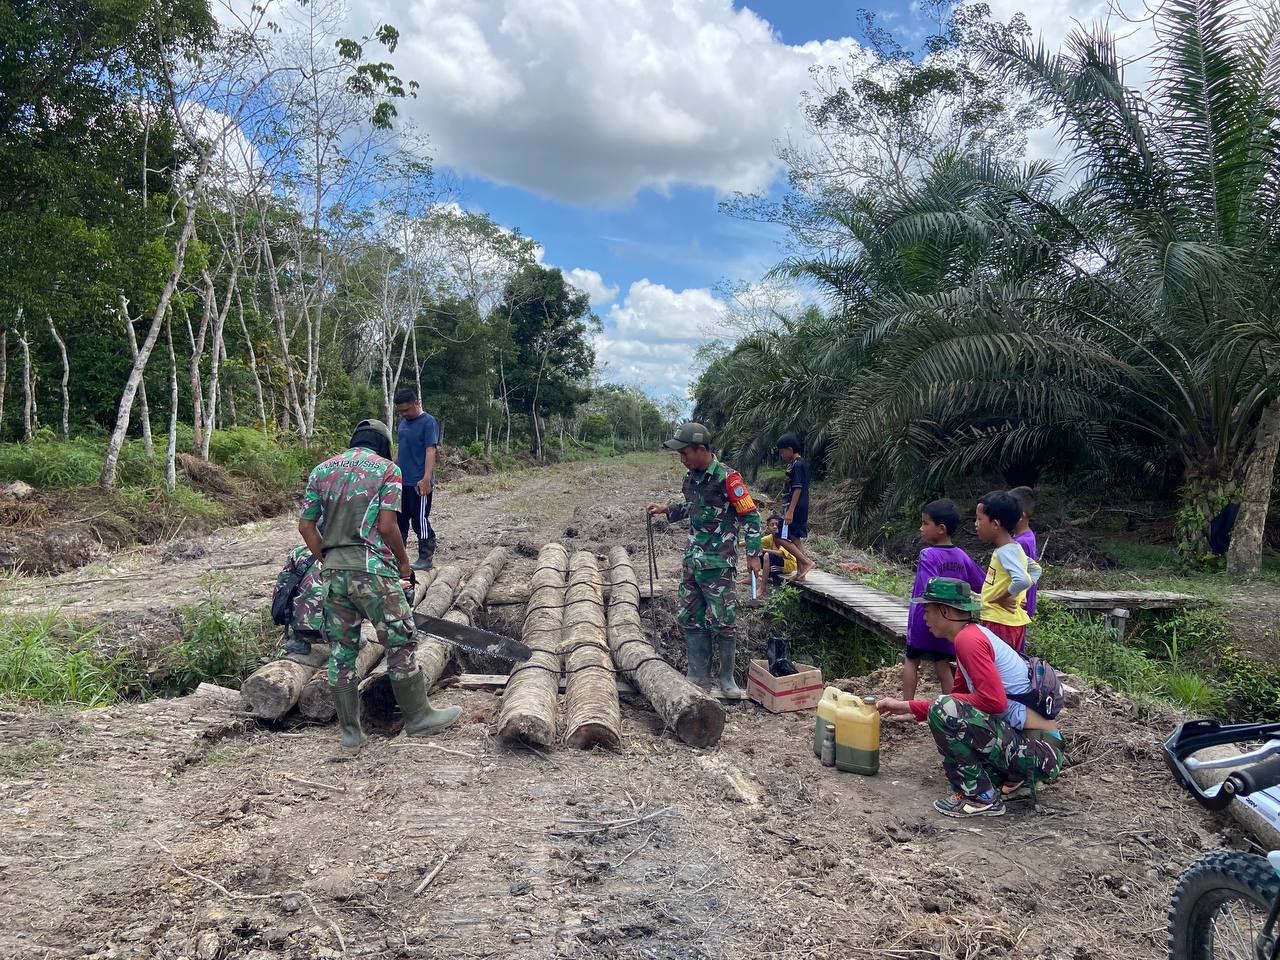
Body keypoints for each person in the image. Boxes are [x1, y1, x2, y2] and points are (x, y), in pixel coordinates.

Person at [299, 418, 460, 754]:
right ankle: (418, 717)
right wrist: (403, 563)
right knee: (400, 639)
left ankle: (350, 734)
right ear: (384, 443)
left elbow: (306, 526)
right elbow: (388, 526)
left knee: (342, 650)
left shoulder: (321, 471)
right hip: (373, 571)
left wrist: (326, 559)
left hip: (334, 574)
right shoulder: (388, 470)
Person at [876, 577, 1066, 818]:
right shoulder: (971, 637)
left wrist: (933, 706)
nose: (924, 617)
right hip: (1037, 750)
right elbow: (958, 700)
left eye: (928, 610)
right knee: (945, 710)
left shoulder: (969, 641)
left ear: (944, 611)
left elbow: (991, 702)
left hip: (1037, 753)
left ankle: (980, 797)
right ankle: (1010, 780)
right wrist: (905, 706)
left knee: (944, 710)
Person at [645, 422, 763, 698]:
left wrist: (753, 555)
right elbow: (693, 506)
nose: (682, 459)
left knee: (724, 620)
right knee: (690, 617)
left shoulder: (728, 479)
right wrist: (668, 509)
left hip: (718, 563)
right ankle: (698, 676)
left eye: (685, 453)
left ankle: (727, 680)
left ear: (701, 449)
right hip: (693, 560)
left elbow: (752, 517)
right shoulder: (691, 479)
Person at [904, 499, 987, 699]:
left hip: (924, 619)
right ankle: (951, 707)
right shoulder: (961, 556)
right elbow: (981, 583)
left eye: (925, 523)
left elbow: (929, 586)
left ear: (941, 528)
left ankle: (906, 706)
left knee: (911, 660)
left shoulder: (928, 555)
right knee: (943, 664)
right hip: (950, 621)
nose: (921, 528)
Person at [975, 490, 1041, 654]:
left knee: (1000, 671)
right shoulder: (1014, 548)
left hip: (1000, 622)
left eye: (979, 519)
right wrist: (1020, 596)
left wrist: (1001, 598)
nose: (975, 524)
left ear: (995, 524)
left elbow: (1022, 580)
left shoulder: (1006, 551)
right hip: (1006, 621)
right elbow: (1035, 570)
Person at [393, 388, 441, 571]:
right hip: (401, 482)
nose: (404, 414)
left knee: (419, 520)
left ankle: (425, 558)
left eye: (406, 410)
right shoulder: (403, 423)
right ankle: (399, 558)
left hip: (418, 483)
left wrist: (426, 479)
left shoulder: (428, 422)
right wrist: (389, 466)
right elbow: (401, 448)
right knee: (400, 521)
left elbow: (431, 450)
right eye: (400, 412)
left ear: (416, 403)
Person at [775, 435, 817, 581]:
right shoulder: (796, 464)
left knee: (779, 536)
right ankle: (801, 572)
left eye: (782, 452)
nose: (781, 455)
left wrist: (790, 511)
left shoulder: (798, 465)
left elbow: (797, 488)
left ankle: (806, 562)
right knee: (794, 537)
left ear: (790, 449)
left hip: (795, 506)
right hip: (797, 506)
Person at [274, 545, 324, 657]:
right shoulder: (346, 552)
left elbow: (282, 587)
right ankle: (354, 638)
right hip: (339, 629)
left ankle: (299, 641)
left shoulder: (299, 552)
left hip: (304, 630)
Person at [1008, 486, 1039, 620]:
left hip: (1016, 607)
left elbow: (1018, 578)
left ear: (1021, 516)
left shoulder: (1020, 543)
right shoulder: (1028, 536)